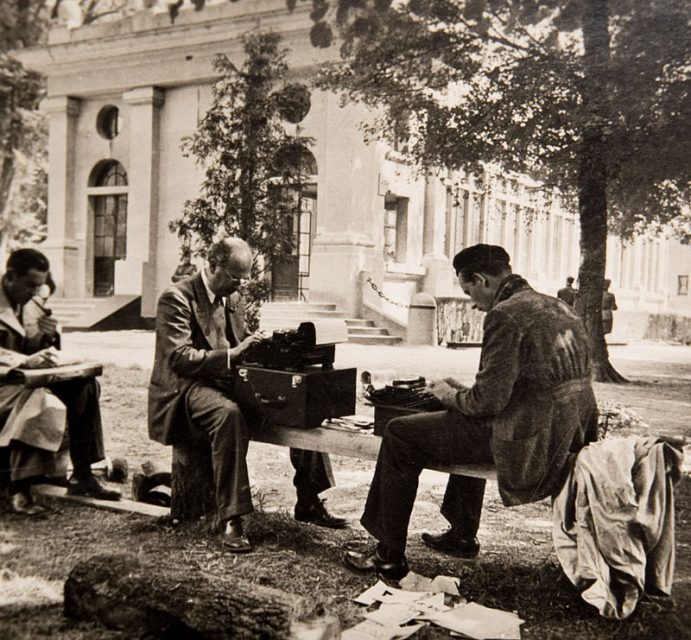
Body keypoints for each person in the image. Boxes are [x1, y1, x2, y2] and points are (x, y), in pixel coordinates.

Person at [344, 244, 598, 580]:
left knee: (399, 434)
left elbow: (487, 404)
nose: (474, 305)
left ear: (481, 280)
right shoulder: (558, 306)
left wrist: (450, 395)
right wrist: (462, 393)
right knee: (458, 423)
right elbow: (520, 387)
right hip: (570, 434)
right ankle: (461, 536)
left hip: (531, 444)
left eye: (469, 292)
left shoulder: (505, 314)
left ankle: (388, 554)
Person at [148, 237, 346, 553]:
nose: (239, 284)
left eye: (243, 277)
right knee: (228, 415)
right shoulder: (176, 298)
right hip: (186, 388)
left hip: (228, 380)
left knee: (300, 400)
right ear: (212, 265)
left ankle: (309, 500)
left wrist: (263, 349)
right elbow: (179, 359)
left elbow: (239, 343)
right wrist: (233, 355)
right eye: (234, 276)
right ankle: (232, 517)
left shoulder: (233, 297)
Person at [0, 249, 120, 515]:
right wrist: (23, 362)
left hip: (22, 379)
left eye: (39, 285)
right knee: (36, 398)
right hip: (6, 384)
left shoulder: (30, 303)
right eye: (30, 285)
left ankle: (83, 473)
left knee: (85, 385)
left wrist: (47, 339)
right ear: (10, 276)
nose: (35, 292)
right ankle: (20, 488)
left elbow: (29, 345)